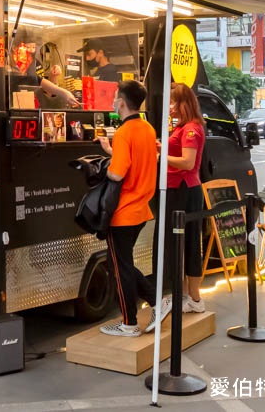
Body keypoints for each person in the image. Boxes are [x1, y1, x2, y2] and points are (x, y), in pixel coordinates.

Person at [96, 80, 158, 337]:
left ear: (121, 101)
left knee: (120, 267)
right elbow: (136, 161)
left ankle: (130, 324)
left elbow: (117, 174)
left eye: (114, 97)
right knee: (120, 263)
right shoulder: (147, 128)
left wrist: (103, 167)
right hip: (141, 208)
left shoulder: (123, 133)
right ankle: (156, 302)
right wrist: (113, 151)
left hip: (123, 211)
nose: (112, 100)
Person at [150, 82, 207, 329]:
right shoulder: (184, 127)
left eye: (173, 102)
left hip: (184, 190)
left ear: (184, 103)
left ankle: (194, 298)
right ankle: (185, 297)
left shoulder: (191, 129)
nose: (169, 107)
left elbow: (187, 162)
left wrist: (162, 156)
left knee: (189, 242)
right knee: (179, 244)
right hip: (177, 189)